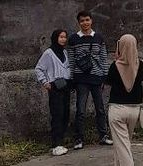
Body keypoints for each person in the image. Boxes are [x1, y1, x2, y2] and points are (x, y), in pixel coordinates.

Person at [68, 11, 112, 149]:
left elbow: (104, 58)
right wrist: (71, 78)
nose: (85, 23)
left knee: (100, 108)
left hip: (97, 77)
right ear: (78, 23)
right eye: (82, 21)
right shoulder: (73, 39)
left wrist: (104, 76)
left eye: (87, 20)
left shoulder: (99, 37)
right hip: (80, 79)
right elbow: (71, 60)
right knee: (80, 110)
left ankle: (103, 136)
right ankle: (79, 139)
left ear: (91, 21)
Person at [105, 34, 143, 166]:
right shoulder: (141, 65)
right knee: (123, 144)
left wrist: (118, 59)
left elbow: (108, 81)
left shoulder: (115, 66)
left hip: (117, 109)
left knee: (122, 146)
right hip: (135, 110)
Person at [35, 29, 73, 157]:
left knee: (65, 114)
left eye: (64, 37)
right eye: (60, 37)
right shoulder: (49, 53)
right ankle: (56, 144)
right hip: (55, 87)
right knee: (57, 114)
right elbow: (39, 68)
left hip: (65, 86)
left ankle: (61, 140)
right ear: (55, 38)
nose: (63, 39)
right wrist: (45, 82)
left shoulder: (64, 52)